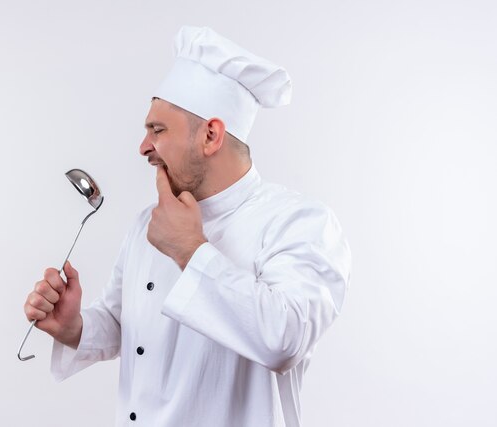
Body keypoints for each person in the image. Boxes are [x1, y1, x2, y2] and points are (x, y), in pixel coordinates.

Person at [24, 26, 351, 426]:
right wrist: (74, 326)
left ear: (211, 135)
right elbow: (124, 323)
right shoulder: (148, 221)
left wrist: (190, 250)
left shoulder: (299, 222)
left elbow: (286, 340)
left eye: (157, 130)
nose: (143, 147)